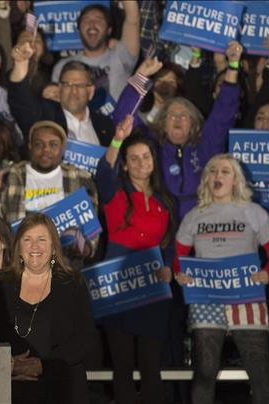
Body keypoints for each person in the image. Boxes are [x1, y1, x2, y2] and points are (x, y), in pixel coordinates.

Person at [174, 154, 269, 404]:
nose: (217, 176)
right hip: (206, 299)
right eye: (212, 171)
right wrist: (180, 275)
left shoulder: (254, 212)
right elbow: (178, 257)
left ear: (236, 179)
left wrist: (267, 273)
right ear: (206, 179)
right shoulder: (194, 215)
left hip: (246, 297)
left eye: (225, 171)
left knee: (259, 373)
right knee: (204, 372)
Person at [113, 42, 242, 222]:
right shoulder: (150, 144)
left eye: (184, 116)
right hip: (160, 223)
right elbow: (122, 117)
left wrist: (233, 65)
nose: (178, 119)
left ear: (194, 123)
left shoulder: (206, 144)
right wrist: (141, 76)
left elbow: (224, 112)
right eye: (171, 116)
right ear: (162, 123)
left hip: (201, 222)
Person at [95, 116, 175, 404]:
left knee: (151, 365)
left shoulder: (165, 201)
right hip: (119, 288)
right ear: (125, 164)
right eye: (134, 158)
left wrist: (168, 267)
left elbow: (170, 244)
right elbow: (103, 173)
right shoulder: (115, 194)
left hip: (152, 291)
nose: (141, 162)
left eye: (146, 156)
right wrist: (117, 139)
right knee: (123, 365)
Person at [0, 213, 96, 404]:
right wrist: (7, 365)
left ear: (53, 246)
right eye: (27, 239)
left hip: (63, 388)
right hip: (10, 388)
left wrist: (44, 365)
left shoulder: (72, 282)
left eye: (41, 239)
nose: (34, 246)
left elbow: (85, 337)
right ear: (18, 247)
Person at [0, 121, 99, 269]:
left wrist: (81, 246)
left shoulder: (81, 178)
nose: (46, 150)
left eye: (53, 144)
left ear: (62, 149)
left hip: (64, 268)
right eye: (39, 144)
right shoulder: (9, 175)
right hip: (19, 268)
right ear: (30, 146)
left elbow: (91, 236)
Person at [51, 1, 140, 101]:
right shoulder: (62, 66)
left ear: (109, 30)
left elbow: (132, 20)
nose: (92, 24)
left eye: (99, 19)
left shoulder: (120, 56)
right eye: (86, 19)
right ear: (79, 29)